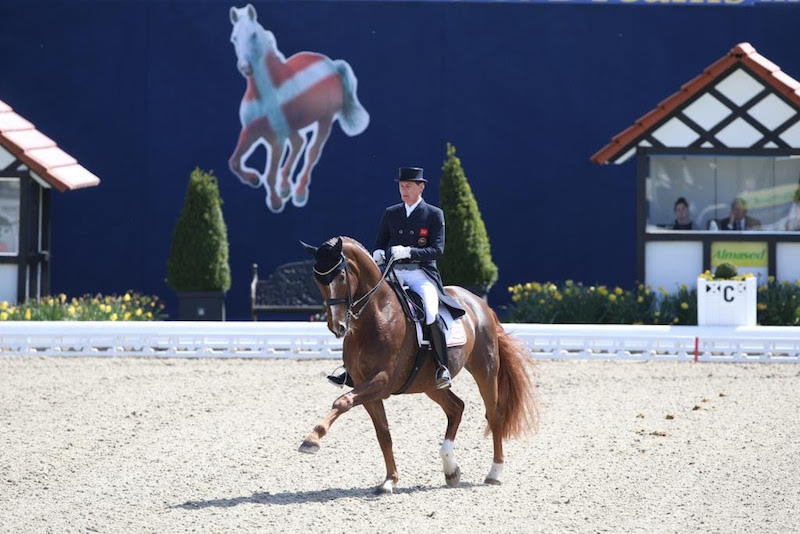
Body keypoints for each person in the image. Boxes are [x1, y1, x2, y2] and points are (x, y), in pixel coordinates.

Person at [328, 166, 465, 390]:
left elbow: (437, 250)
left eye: (409, 186)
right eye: (401, 186)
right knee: (364, 307)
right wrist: (378, 253)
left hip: (421, 275)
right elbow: (380, 242)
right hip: (393, 273)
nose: (404, 190)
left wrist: (410, 252)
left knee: (431, 312)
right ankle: (349, 368)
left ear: (421, 187)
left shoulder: (433, 214)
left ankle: (442, 367)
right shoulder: (391, 213)